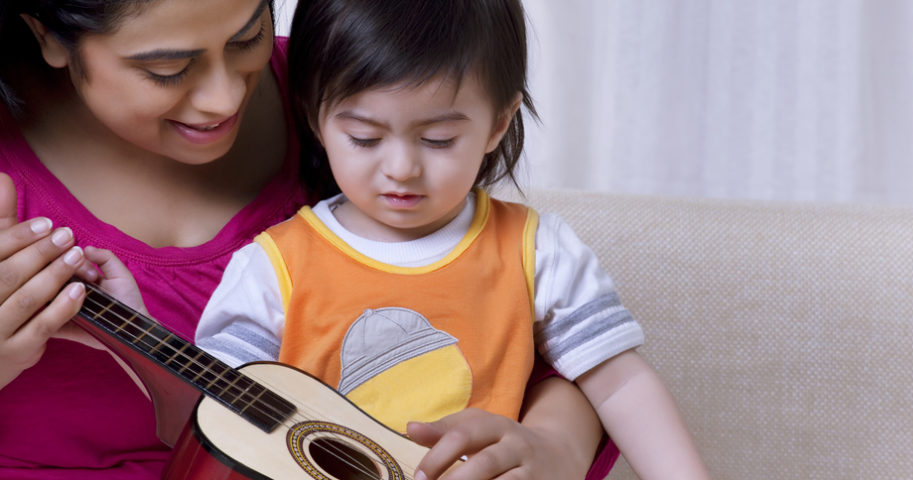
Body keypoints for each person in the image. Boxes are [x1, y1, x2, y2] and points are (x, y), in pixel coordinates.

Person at [0, 0, 607, 478]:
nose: (225, 96)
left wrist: (557, 447)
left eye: (247, 37)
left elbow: (532, 335)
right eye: (168, 69)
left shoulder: (359, 96)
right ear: (48, 33)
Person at [195, 0, 711, 479]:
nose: (401, 168)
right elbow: (210, 417)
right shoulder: (272, 267)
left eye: (438, 139)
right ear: (315, 117)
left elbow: (619, 383)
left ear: (497, 124)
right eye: (365, 138)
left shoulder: (537, 250)